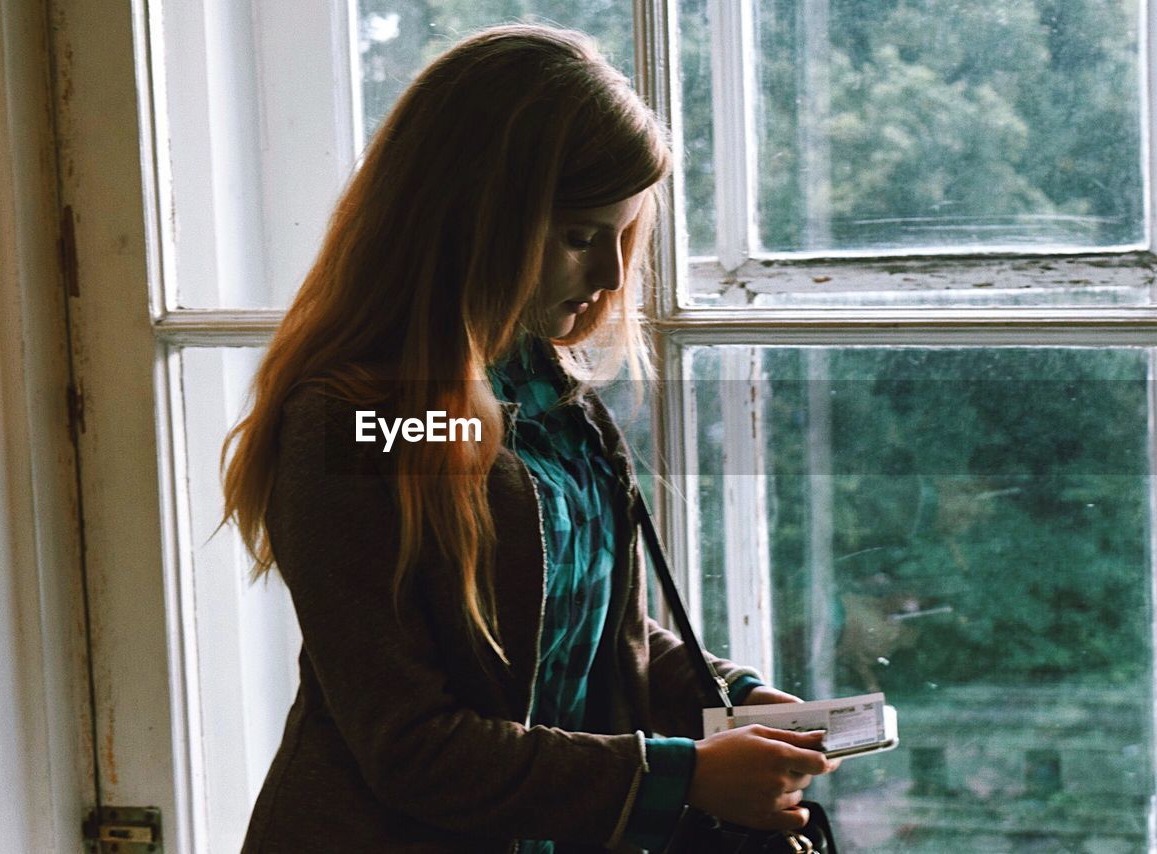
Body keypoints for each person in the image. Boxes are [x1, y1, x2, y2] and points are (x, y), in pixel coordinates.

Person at [220, 23, 837, 854]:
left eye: (626, 236)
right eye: (583, 237)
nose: (616, 277)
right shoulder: (356, 421)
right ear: (465, 220)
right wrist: (685, 774)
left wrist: (734, 699)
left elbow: (591, 635)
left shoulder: (546, 391)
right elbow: (412, 745)